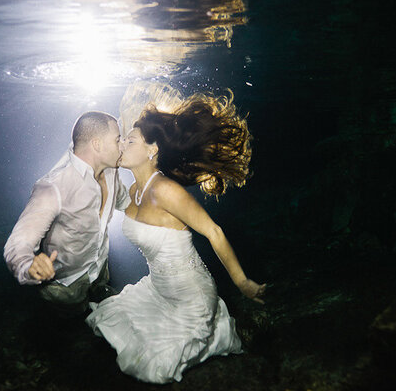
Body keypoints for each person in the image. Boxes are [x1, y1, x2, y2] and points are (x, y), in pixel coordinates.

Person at [85, 91, 267, 384]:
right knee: (111, 318)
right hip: (159, 290)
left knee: (154, 364)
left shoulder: (167, 191)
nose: (121, 146)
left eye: (129, 141)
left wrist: (242, 282)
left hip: (190, 298)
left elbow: (214, 231)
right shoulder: (134, 192)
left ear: (151, 150)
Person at [3, 111, 131, 316]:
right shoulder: (54, 186)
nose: (122, 145)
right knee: (69, 334)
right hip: (64, 287)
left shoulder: (111, 170)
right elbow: (18, 244)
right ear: (97, 144)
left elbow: (126, 202)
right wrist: (29, 265)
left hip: (99, 273)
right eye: (117, 140)